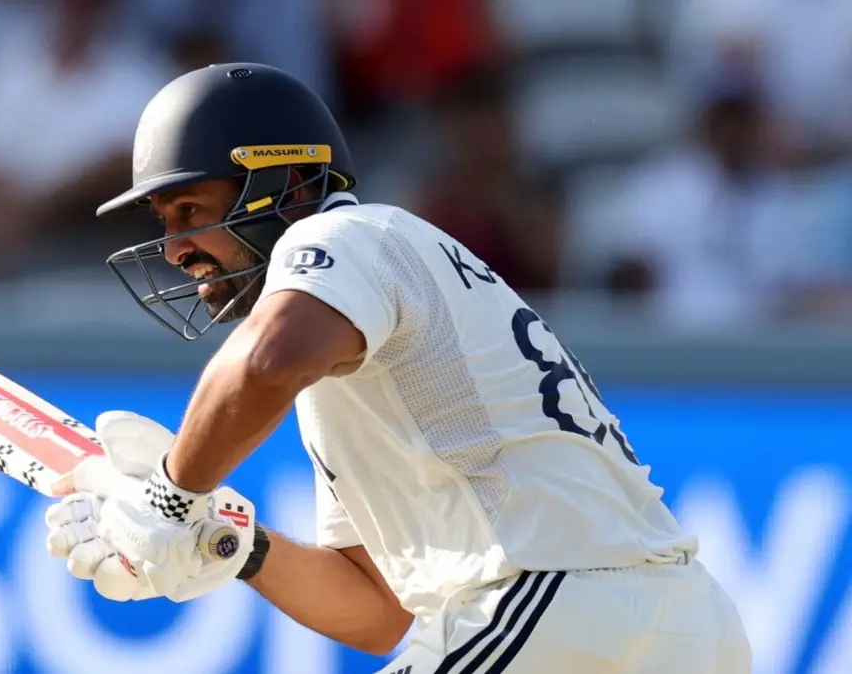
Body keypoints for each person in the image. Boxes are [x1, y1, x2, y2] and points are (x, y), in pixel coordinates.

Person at [43, 63, 752, 673]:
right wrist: (228, 541)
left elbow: (264, 360)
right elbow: (378, 607)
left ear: (288, 185)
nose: (174, 249)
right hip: (675, 624)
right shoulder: (355, 339)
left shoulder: (342, 235)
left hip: (558, 603)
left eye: (189, 211)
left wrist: (169, 494)